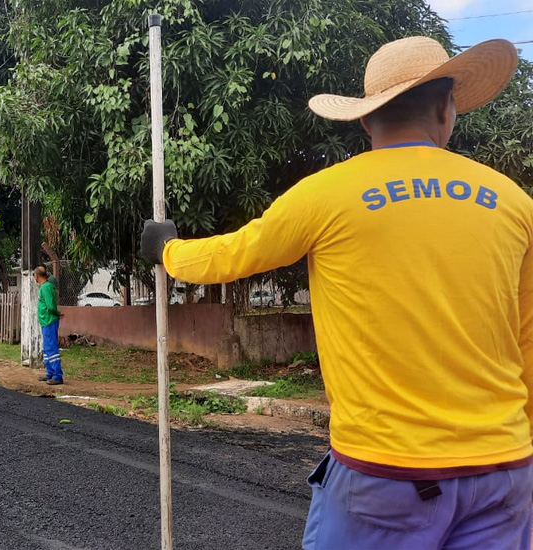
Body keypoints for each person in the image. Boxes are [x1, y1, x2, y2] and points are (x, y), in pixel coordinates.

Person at [141, 36, 532, 549]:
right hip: (503, 473)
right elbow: (525, 337)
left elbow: (235, 254)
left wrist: (169, 252)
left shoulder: (327, 194)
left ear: (367, 119)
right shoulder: (512, 201)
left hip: (387, 474)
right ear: (445, 108)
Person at [34, 265, 64, 385]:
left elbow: (51, 306)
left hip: (49, 320)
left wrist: (57, 313)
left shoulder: (45, 288)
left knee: (51, 348)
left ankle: (57, 375)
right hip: (46, 321)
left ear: (36, 276)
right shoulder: (46, 287)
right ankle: (50, 372)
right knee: (47, 348)